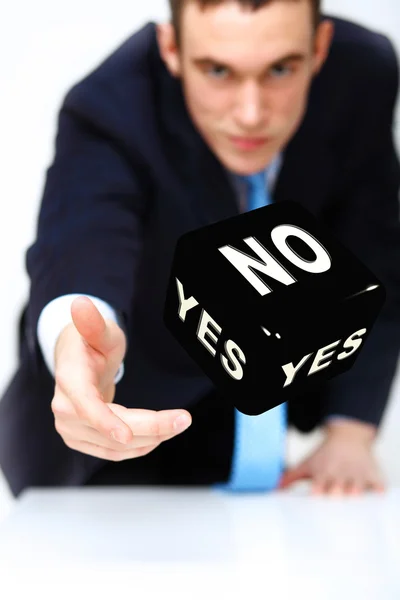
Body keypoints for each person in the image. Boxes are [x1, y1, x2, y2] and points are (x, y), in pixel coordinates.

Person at [0, 0, 399, 498]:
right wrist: (79, 345)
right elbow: (80, 235)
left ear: (319, 48)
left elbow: (375, 241)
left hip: (240, 416)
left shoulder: (363, 74)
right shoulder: (110, 105)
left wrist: (350, 428)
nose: (251, 114)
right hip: (113, 422)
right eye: (217, 71)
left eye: (280, 69)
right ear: (172, 48)